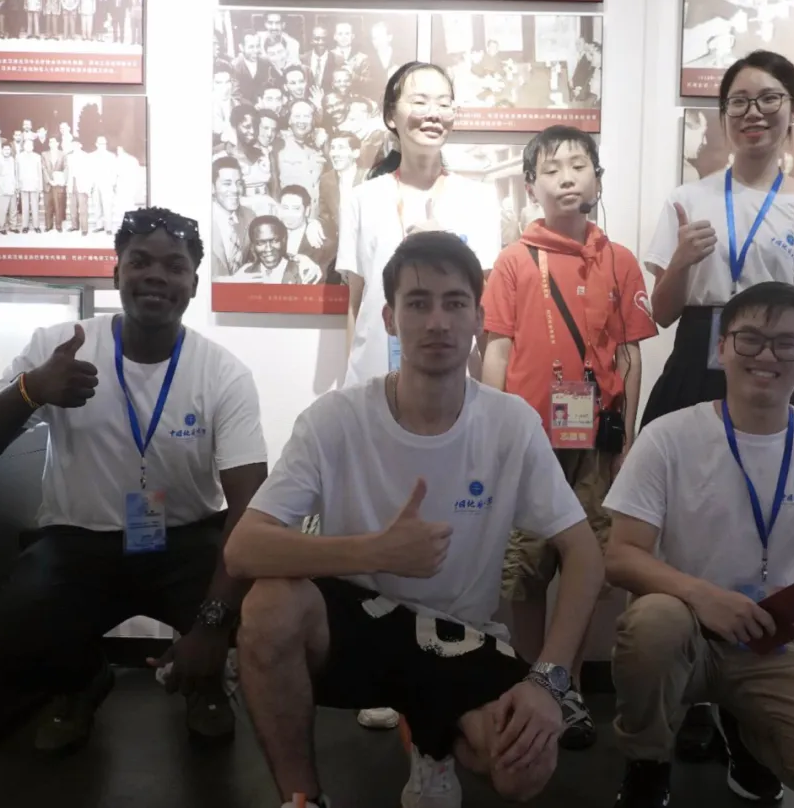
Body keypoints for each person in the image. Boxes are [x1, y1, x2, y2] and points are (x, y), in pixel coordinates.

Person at [226, 231, 605, 808]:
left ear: (479, 318)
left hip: (457, 633)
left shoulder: (510, 424)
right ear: (389, 317)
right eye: (418, 303)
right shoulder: (334, 419)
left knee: (522, 770)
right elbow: (243, 549)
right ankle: (302, 799)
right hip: (355, 623)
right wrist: (374, 552)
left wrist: (550, 680)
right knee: (267, 607)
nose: (437, 322)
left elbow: (584, 553)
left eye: (455, 303)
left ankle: (431, 739)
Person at [0, 207, 269, 754]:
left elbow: (249, 509)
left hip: (185, 542)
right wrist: (31, 390)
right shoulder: (59, 347)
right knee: (4, 637)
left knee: (261, 611)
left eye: (174, 266)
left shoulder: (222, 373)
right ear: (116, 271)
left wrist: (212, 627)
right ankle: (81, 681)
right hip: (79, 543)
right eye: (140, 261)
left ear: (193, 283)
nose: (156, 276)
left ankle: (205, 682)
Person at [602, 281, 794, 808]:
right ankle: (648, 761)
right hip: (683, 633)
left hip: (772, 644)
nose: (767, 355)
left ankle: (747, 737)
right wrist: (703, 597)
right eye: (750, 339)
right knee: (653, 623)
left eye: (787, 343)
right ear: (722, 348)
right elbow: (620, 556)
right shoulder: (668, 437)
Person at [639, 49, 794, 793]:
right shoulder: (688, 197)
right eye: (738, 100)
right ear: (721, 115)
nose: (753, 112)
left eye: (768, 99)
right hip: (699, 353)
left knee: (773, 522)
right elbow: (661, 313)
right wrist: (680, 261)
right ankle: (689, 691)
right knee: (680, 520)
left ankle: (753, 707)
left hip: (777, 363)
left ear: (792, 111)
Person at [482, 125, 658, 751]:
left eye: (578, 166)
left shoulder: (620, 260)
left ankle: (567, 686)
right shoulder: (512, 261)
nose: (565, 178)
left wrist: (627, 437)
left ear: (597, 181)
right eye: (551, 168)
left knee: (590, 567)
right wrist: (496, 434)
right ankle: (533, 682)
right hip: (529, 445)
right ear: (531, 185)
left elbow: (630, 355)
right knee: (525, 570)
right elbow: (496, 350)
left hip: (597, 445)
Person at [336, 63, 501, 730]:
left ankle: (443, 663)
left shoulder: (479, 200)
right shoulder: (364, 198)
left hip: (448, 386)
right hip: (377, 382)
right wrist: (350, 376)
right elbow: (355, 301)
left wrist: (483, 390)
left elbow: (480, 304)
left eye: (444, 101)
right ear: (392, 115)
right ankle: (378, 671)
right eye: (419, 100)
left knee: (446, 522)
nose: (432, 111)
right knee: (378, 520)